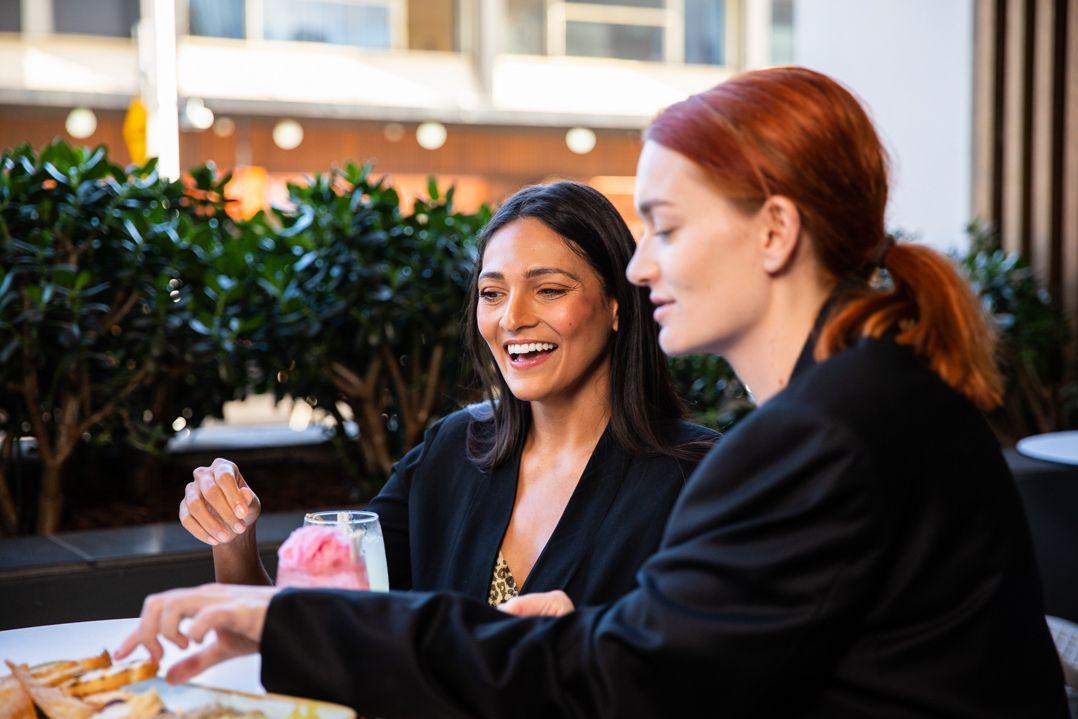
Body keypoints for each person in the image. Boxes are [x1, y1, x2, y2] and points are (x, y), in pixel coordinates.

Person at [119, 68, 1068, 717]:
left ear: (774, 232)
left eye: (661, 226)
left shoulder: (816, 438)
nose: (642, 267)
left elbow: (618, 681)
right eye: (491, 291)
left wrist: (295, 623)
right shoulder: (877, 400)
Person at [175, 181, 716, 610]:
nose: (512, 318)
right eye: (492, 292)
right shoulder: (451, 450)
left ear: (617, 305)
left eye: (549, 289)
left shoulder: (700, 478)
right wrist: (232, 540)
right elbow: (318, 625)